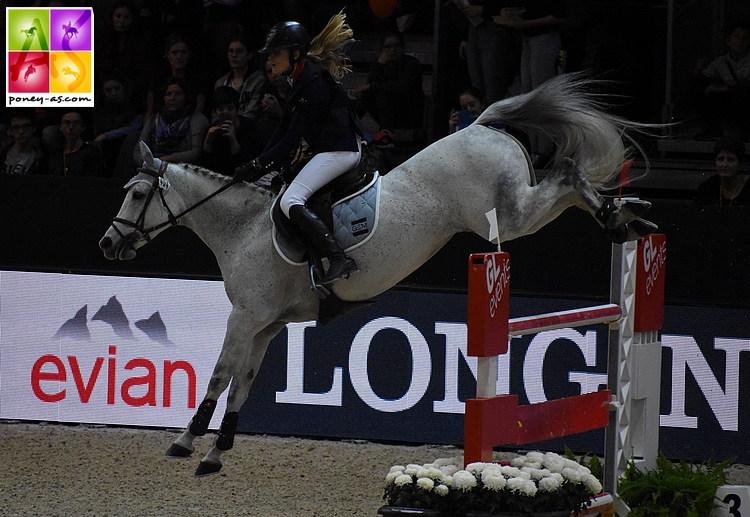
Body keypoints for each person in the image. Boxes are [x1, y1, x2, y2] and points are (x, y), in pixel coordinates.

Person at [233, 16, 364, 287]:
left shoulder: (312, 85)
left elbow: (290, 140)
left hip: (340, 151)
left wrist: (257, 167)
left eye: (276, 54)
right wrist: (255, 163)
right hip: (328, 148)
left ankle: (338, 257)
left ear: (295, 54)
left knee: (290, 200)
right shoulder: (299, 77)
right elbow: (282, 129)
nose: (270, 60)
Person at [497, 0, 566, 164]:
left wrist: (526, 23)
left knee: (541, 94)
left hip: (544, 38)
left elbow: (558, 16)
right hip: (528, 38)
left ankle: (545, 149)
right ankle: (534, 149)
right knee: (527, 94)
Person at [352, 30, 424, 148]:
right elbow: (370, 86)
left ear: (403, 47)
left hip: (408, 111)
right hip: (385, 111)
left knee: (384, 92)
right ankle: (349, 127)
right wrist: (379, 64)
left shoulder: (412, 64)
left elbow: (402, 87)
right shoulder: (380, 63)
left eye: (396, 46)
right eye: (388, 47)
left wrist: (373, 86)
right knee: (368, 96)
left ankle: (387, 135)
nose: (392, 50)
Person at [692, 24, 750, 141]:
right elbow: (702, 81)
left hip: (746, 102)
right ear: (728, 41)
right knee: (702, 91)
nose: (741, 41)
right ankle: (715, 128)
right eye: (737, 37)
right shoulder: (720, 62)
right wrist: (697, 71)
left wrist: (725, 88)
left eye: (745, 38)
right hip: (730, 104)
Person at [134, 76, 209, 166]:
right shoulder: (155, 119)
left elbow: (196, 152)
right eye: (168, 94)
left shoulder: (197, 119)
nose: (172, 98)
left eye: (178, 93)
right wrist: (146, 164)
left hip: (184, 169)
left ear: (186, 96)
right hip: (152, 167)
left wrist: (167, 159)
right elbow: (139, 149)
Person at [458, 1, 522, 105]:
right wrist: (465, 36)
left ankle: (493, 118)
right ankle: (481, 116)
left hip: (495, 24)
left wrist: (483, 9)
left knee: (493, 87)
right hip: (474, 26)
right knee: (477, 88)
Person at [144, 34, 209, 124]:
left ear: (189, 54)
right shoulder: (158, 78)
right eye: (174, 53)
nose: (179, 57)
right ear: (167, 54)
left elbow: (199, 110)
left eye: (183, 52)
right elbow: (150, 110)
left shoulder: (198, 79)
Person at [199, 86, 265, 177]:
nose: (226, 112)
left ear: (236, 109)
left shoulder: (250, 128)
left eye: (230, 108)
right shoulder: (211, 130)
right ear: (216, 112)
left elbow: (248, 166)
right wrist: (208, 143)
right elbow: (206, 169)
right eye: (221, 109)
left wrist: (233, 141)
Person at [93, 73, 143, 173]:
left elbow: (135, 127)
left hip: (128, 144)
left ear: (123, 88)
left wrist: (107, 135)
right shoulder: (100, 107)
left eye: (117, 88)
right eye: (108, 90)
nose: (114, 93)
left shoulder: (135, 104)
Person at [213, 34, 268, 121]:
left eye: (239, 51)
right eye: (231, 51)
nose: (234, 55)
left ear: (249, 55)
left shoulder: (258, 80)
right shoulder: (220, 83)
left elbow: (252, 112)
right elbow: (215, 113)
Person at [48, 110, 106, 177]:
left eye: (76, 123)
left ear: (83, 127)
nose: (71, 127)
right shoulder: (56, 153)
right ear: (60, 127)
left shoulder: (91, 152)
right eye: (66, 123)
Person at [695, 137, 750, 206]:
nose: (724, 165)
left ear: (740, 163)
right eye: (720, 159)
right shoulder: (707, 188)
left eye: (730, 160)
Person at [1, 108, 45, 175]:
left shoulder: (41, 158)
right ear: (10, 131)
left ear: (33, 128)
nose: (21, 131)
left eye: (26, 127)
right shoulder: (2, 152)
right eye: (16, 127)